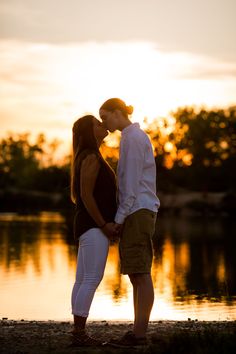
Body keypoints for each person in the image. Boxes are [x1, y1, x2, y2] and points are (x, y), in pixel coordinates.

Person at [99, 98, 160, 347]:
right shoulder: (130, 137)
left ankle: (140, 336)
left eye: (105, 118)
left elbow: (131, 186)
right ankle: (137, 332)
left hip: (137, 211)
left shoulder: (133, 139)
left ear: (117, 113)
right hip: (136, 211)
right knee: (136, 273)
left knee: (141, 272)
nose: (105, 124)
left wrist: (118, 219)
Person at [70, 115, 117, 346]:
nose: (103, 125)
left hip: (86, 225)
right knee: (91, 279)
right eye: (98, 124)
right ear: (90, 132)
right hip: (92, 226)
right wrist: (104, 224)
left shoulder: (89, 156)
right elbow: (86, 196)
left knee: (82, 279)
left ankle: (77, 333)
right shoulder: (90, 157)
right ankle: (79, 334)